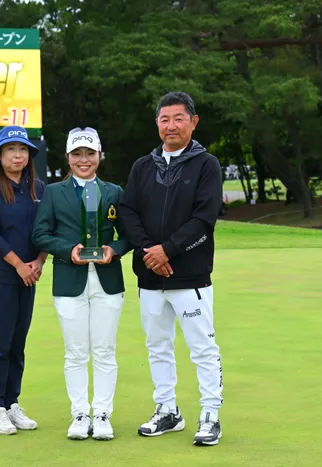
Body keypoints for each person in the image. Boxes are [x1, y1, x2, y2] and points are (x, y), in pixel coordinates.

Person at [118, 91, 224, 446]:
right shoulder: (142, 166)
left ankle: (210, 414)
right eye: (165, 119)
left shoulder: (206, 164)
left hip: (190, 276)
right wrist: (150, 253)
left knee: (202, 347)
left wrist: (168, 251)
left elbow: (204, 218)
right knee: (157, 345)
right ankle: (167, 410)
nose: (171, 125)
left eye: (179, 118)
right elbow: (128, 211)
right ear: (157, 124)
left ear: (193, 122)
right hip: (150, 278)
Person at [32, 127, 131, 441]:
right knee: (75, 352)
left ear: (99, 154)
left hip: (107, 281)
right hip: (69, 280)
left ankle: (101, 414)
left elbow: (130, 235)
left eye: (90, 153)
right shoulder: (53, 192)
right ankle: (79, 414)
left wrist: (113, 249)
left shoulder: (114, 191)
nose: (84, 160)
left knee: (104, 350)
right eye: (77, 154)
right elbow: (40, 234)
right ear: (68, 157)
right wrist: (67, 250)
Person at [0, 126, 47, 435]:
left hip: (27, 276)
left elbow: (47, 229)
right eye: (11, 149)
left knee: (17, 344)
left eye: (23, 149)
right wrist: (19, 265)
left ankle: (12, 402)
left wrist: (39, 262)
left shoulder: (38, 188)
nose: (18, 155)